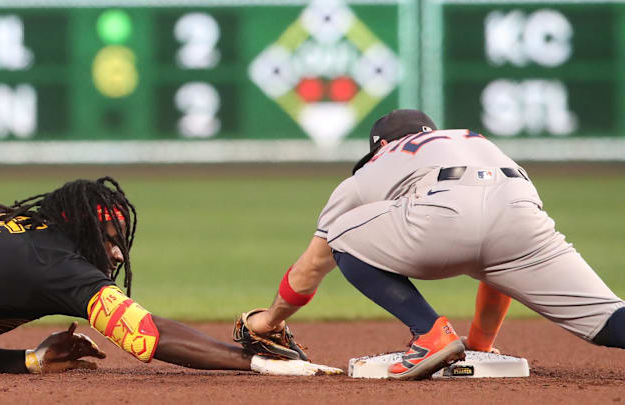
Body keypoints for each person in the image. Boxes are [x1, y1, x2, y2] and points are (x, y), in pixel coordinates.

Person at [237, 109, 625, 380]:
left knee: (341, 232)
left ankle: (429, 332)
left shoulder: (380, 160)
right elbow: (499, 269)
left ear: (380, 144)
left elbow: (311, 267)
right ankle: (464, 341)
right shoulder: (476, 142)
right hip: (521, 214)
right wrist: (479, 346)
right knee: (608, 321)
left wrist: (269, 321)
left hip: (442, 217)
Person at [0, 177, 340, 376]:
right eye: (107, 239)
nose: (116, 251)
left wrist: (32, 361)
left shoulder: (11, 233)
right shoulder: (57, 266)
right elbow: (145, 334)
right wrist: (254, 360)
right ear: (77, 231)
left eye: (120, 240)